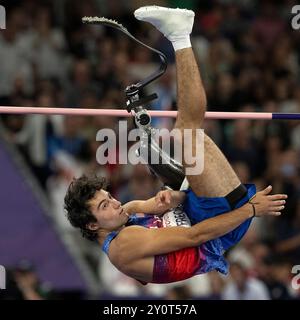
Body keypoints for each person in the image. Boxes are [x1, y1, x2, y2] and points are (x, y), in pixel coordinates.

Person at [64, 6, 287, 284]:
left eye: (108, 197)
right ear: (92, 224)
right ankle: (180, 35)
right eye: (104, 206)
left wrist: (173, 198)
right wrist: (252, 209)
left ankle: (180, 35)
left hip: (196, 209)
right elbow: (197, 236)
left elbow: (162, 205)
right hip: (219, 225)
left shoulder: (127, 213)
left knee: (180, 141)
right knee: (186, 134)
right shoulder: (123, 246)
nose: (115, 202)